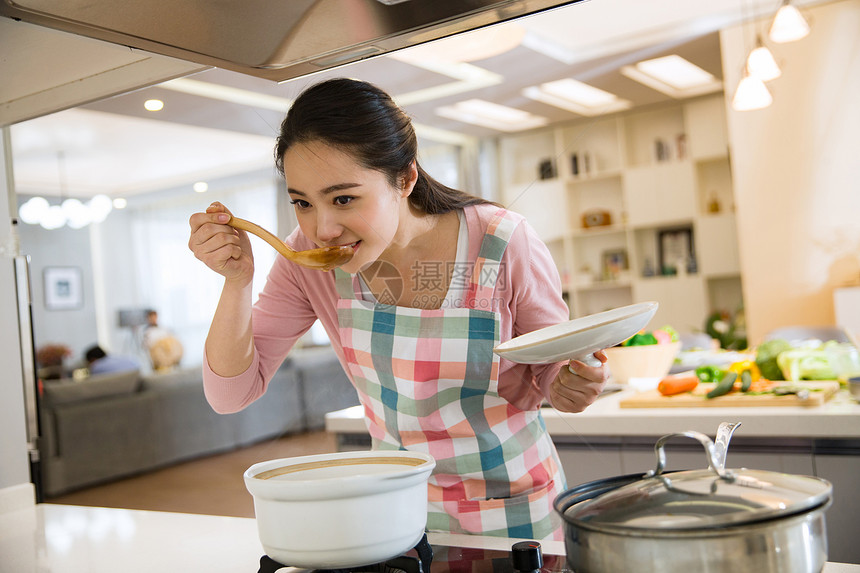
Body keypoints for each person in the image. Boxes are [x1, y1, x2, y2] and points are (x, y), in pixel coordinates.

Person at [188, 78, 609, 541]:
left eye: (343, 198)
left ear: (404, 179)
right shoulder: (308, 263)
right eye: (302, 203)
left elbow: (552, 368)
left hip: (517, 512)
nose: (322, 228)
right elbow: (230, 396)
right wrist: (237, 282)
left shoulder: (500, 242)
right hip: (397, 516)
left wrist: (570, 383)